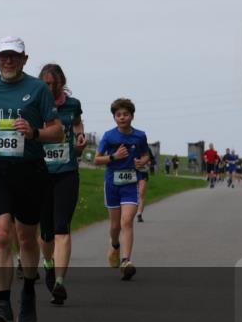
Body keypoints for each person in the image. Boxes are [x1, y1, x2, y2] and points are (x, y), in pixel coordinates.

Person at [0, 37, 62, 322]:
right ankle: (3, 303)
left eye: (14, 57)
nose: (8, 61)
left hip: (30, 170)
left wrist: (33, 132)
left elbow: (57, 131)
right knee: (1, 235)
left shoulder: (36, 89)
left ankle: (29, 290)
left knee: (26, 238)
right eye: (3, 56)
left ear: (24, 59)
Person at [37, 63, 85, 305]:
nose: (51, 87)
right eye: (46, 84)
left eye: (55, 83)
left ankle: (59, 283)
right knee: (45, 232)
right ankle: (47, 263)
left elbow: (77, 123)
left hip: (67, 172)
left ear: (62, 82)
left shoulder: (72, 104)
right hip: (41, 174)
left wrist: (79, 136)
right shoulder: (35, 104)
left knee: (61, 227)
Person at [95, 98, 150, 281]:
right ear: (114, 118)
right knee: (115, 226)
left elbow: (145, 155)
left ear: (132, 116)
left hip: (130, 184)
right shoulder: (109, 136)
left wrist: (142, 161)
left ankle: (126, 261)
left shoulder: (140, 136)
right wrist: (114, 156)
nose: (122, 117)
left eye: (125, 114)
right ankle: (115, 245)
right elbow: (97, 159)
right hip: (112, 184)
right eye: (118, 115)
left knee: (127, 222)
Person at [136, 148, 155, 222]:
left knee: (141, 193)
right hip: (132, 172)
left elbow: (153, 160)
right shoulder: (129, 144)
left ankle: (139, 214)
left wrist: (150, 162)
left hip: (143, 173)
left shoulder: (146, 148)